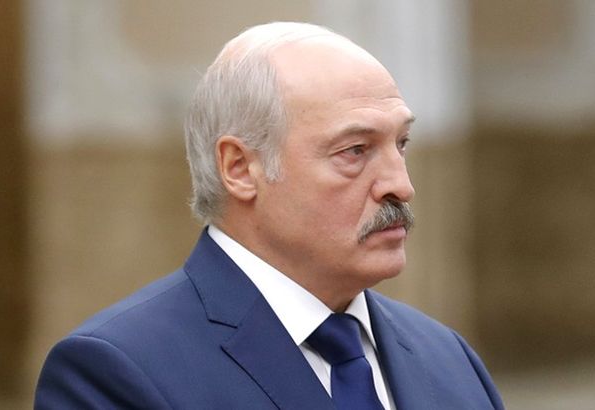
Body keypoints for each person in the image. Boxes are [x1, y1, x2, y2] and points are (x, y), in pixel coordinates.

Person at [35, 22, 504, 409]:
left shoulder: (447, 358)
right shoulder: (116, 372)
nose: (401, 185)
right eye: (355, 151)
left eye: (401, 144)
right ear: (240, 169)